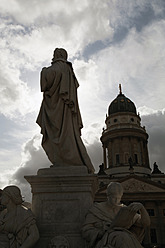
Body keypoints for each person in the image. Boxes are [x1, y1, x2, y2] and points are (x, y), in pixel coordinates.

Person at [36, 48, 94, 173]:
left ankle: (63, 160)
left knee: (59, 134)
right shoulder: (68, 70)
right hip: (64, 109)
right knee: (67, 134)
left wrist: (43, 71)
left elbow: (47, 81)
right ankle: (65, 160)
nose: (53, 56)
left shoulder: (60, 67)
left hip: (59, 108)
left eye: (54, 54)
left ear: (58, 55)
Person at [82, 182, 150, 248]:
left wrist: (142, 209)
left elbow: (145, 223)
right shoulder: (97, 209)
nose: (116, 200)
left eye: (119, 198)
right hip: (105, 239)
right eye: (114, 197)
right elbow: (86, 231)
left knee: (124, 237)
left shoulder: (125, 210)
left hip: (123, 237)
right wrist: (101, 232)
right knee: (122, 237)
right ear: (108, 195)